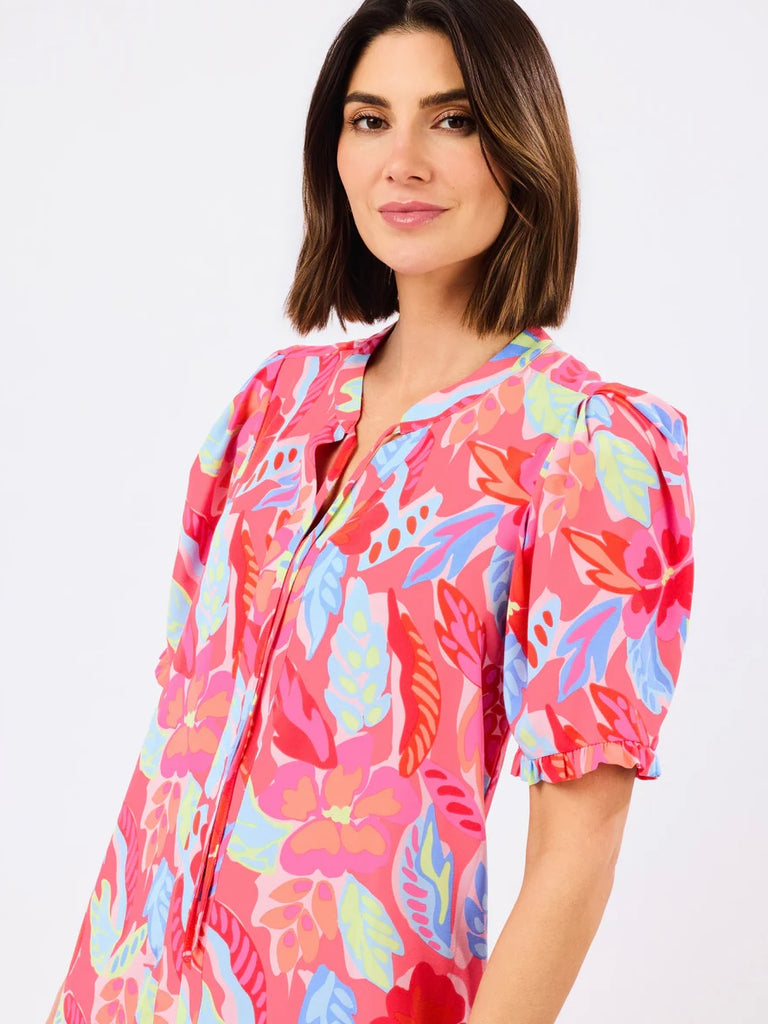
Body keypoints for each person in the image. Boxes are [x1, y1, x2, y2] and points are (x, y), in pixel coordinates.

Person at [47, 1, 695, 1021]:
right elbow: (178, 742)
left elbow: (578, 853)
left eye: (453, 119)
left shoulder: (588, 449)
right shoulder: (271, 408)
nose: (403, 161)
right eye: (369, 119)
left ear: (522, 143)